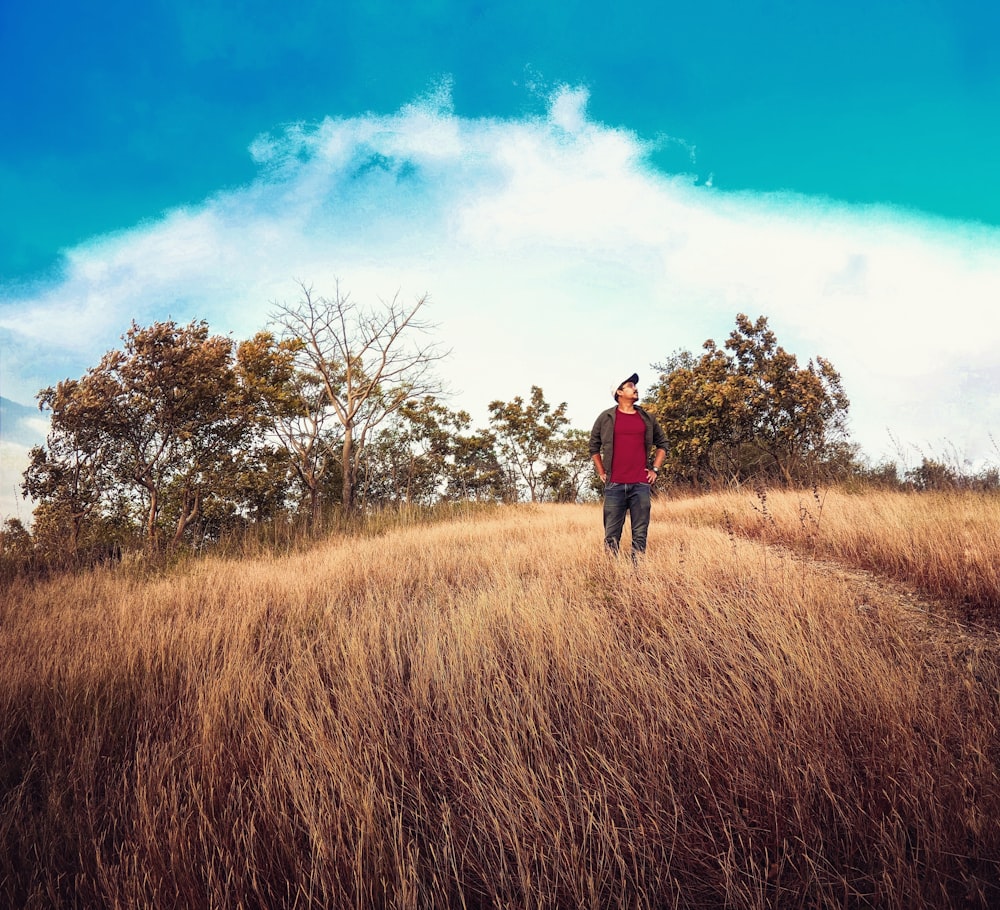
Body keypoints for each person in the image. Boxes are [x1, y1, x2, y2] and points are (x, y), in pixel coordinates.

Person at [589, 373, 668, 557]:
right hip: (614, 484)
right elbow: (593, 446)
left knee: (640, 535)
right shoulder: (606, 417)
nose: (635, 388)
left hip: (640, 484)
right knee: (611, 536)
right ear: (619, 392)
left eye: (634, 385)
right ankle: (611, 574)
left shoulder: (647, 418)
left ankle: (636, 574)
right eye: (630, 385)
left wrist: (654, 469)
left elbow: (662, 444)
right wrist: (602, 472)